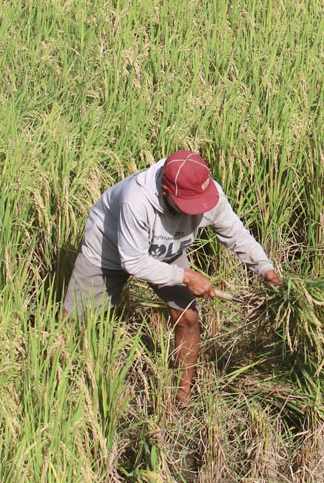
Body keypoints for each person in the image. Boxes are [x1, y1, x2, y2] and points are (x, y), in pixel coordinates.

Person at [63, 150, 280, 403]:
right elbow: (133, 261)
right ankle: (62, 383)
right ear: (166, 191)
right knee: (74, 322)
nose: (197, 210)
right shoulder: (137, 200)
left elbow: (237, 235)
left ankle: (182, 395)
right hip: (108, 248)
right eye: (189, 205)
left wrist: (266, 269)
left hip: (166, 250)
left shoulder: (209, 194)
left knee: (188, 317)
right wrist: (187, 277)